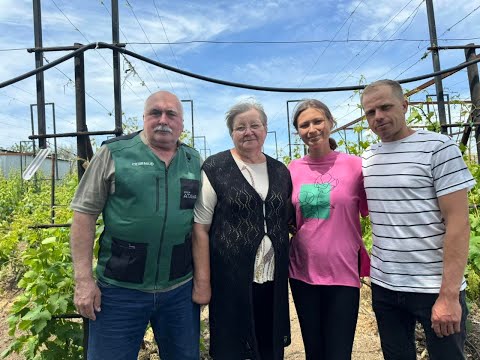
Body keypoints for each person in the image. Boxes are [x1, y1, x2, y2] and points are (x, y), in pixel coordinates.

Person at [70, 91, 202, 360]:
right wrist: (83, 281)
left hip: (178, 289)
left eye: (171, 114)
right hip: (120, 290)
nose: (163, 119)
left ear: (182, 124)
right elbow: (84, 215)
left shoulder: (193, 160)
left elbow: (201, 222)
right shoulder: (114, 153)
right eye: (155, 113)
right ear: (144, 118)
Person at [361, 79, 475, 360]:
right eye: (370, 112)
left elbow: (458, 224)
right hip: (386, 286)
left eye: (385, 107)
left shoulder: (439, 148)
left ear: (404, 105)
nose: (378, 117)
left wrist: (449, 296)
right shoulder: (368, 158)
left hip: (433, 287)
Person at [192, 100, 292, 359]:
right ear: (231, 133)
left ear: (265, 129)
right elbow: (200, 228)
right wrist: (203, 282)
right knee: (233, 346)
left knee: (270, 344)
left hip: (273, 278)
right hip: (231, 279)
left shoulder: (281, 171)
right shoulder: (216, 168)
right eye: (240, 128)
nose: (248, 132)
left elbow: (286, 220)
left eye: (254, 125)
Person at [288, 99, 369, 359]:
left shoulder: (356, 166)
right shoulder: (292, 169)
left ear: (330, 123)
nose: (311, 129)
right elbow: (290, 218)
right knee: (314, 350)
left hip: (343, 271)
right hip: (302, 271)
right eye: (304, 125)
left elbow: (373, 210)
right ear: (298, 131)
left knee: (338, 351)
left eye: (317, 121)